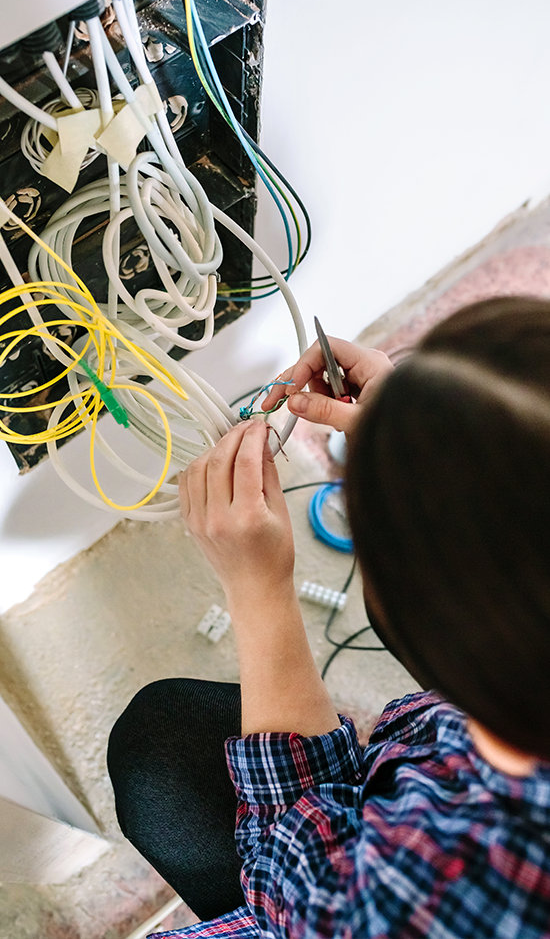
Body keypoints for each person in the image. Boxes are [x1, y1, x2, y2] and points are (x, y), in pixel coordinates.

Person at [107, 295, 550, 939]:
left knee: (161, 748)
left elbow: (299, 893)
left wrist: (259, 592)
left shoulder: (452, 888)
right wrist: (422, 433)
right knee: (164, 735)